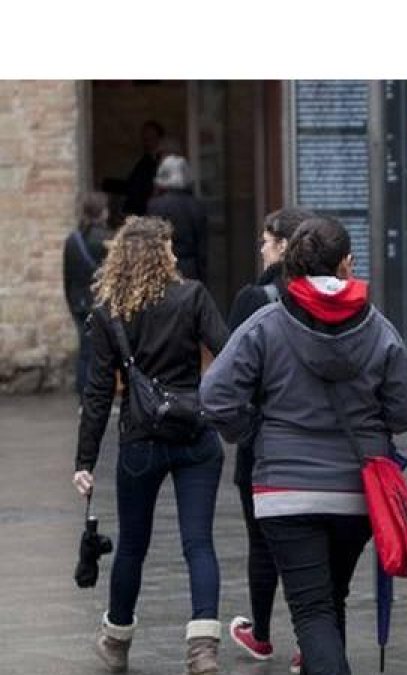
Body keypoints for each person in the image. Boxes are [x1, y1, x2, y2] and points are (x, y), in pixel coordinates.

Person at [202, 216, 407, 675]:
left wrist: (251, 431)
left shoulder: (266, 324)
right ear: (347, 264)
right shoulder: (379, 328)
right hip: (356, 489)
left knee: (313, 609)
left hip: (283, 490)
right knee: (330, 600)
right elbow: (405, 410)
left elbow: (216, 394)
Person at [71, 216, 229, 675]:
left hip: (140, 440)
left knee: (133, 546)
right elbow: (231, 352)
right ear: (162, 256)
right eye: (171, 249)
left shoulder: (107, 312)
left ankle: (117, 639)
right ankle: (203, 648)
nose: (176, 256)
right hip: (196, 434)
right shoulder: (193, 296)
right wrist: (217, 403)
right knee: (199, 542)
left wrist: (85, 461)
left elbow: (99, 393)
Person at [222, 207, 315, 669]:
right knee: (314, 548)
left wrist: (244, 429)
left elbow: (227, 378)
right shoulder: (333, 297)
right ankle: (310, 641)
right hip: (325, 443)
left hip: (264, 444)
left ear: (282, 245)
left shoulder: (254, 299)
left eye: (265, 241)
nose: (261, 248)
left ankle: (261, 633)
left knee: (264, 542)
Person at [62, 192, 115, 403]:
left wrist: (72, 302)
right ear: (102, 212)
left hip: (79, 302)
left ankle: (83, 395)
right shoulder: (108, 240)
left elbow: (67, 277)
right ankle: (97, 397)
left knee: (85, 350)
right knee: (103, 353)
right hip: (101, 301)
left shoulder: (72, 240)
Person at [147, 155, 208, 284]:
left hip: (162, 268)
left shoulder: (155, 206)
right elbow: (202, 248)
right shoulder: (196, 206)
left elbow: (151, 243)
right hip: (190, 269)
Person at [124, 120, 164, 216]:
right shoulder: (144, 160)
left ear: (158, 138)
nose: (146, 140)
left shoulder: (163, 160)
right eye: (145, 136)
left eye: (150, 136)